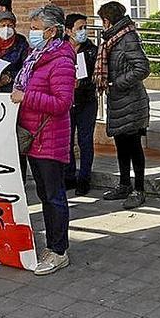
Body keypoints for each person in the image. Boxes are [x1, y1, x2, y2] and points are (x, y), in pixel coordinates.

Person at [12, 4, 76, 275]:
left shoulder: (60, 60)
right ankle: (52, 244)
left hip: (49, 138)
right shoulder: (35, 56)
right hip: (33, 136)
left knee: (53, 196)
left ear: (51, 31)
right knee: (44, 194)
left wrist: (26, 97)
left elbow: (62, 103)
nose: (32, 32)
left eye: (36, 28)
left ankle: (59, 250)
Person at [96, 1, 151, 210]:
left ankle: (139, 189)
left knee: (134, 147)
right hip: (118, 101)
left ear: (108, 20)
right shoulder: (111, 39)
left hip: (131, 101)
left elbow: (142, 68)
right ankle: (124, 184)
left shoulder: (127, 38)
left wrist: (116, 83)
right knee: (121, 147)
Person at [64, 13, 99, 195]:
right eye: (79, 28)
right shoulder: (60, 48)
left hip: (86, 100)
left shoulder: (91, 50)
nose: (83, 31)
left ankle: (84, 178)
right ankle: (69, 176)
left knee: (85, 140)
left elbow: (96, 76)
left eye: (85, 27)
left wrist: (82, 83)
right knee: (67, 139)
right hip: (66, 101)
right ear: (68, 30)